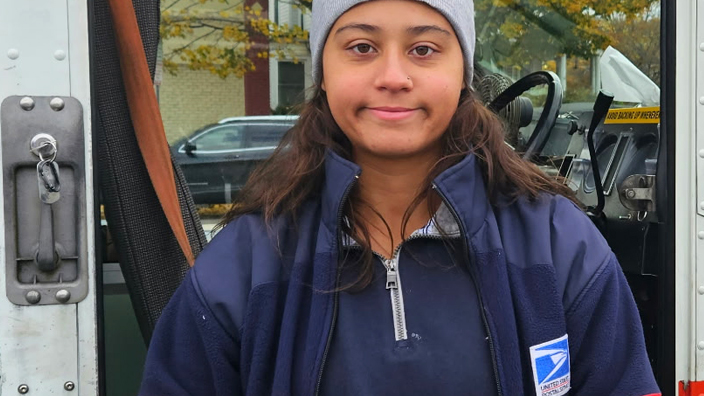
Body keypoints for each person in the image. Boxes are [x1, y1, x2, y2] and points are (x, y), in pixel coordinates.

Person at [139, 1, 661, 395]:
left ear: (464, 74)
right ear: (324, 73)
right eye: (361, 47)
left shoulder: (559, 245)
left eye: (424, 49)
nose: (393, 77)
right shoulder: (243, 266)